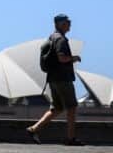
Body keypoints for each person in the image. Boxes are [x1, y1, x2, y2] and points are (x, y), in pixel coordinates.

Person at [26, 14, 84, 146]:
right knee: (72, 107)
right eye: (67, 22)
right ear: (59, 24)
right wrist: (74, 58)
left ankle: (33, 129)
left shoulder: (52, 37)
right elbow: (62, 58)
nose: (69, 25)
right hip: (63, 79)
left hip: (53, 78)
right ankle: (70, 139)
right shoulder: (61, 39)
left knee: (57, 108)